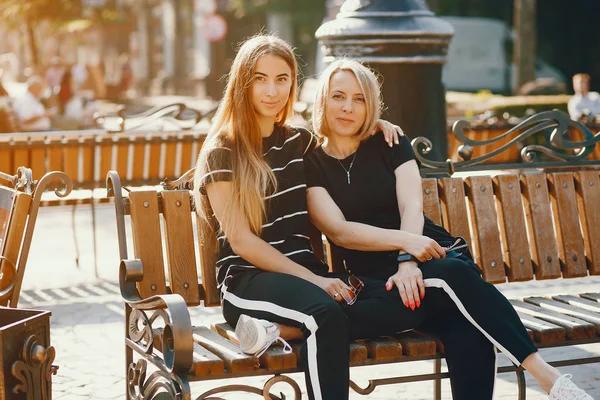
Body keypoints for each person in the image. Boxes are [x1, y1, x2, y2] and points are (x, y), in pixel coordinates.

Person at [302, 59, 593, 400]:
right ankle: (549, 378)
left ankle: (549, 379)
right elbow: (339, 232)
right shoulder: (310, 161)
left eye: (360, 99)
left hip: (429, 254)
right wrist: (405, 245)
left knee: (461, 306)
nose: (348, 107)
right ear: (323, 100)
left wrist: (408, 258)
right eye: (339, 96)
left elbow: (412, 205)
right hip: (378, 277)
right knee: (463, 315)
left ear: (371, 105)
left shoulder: (390, 142)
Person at [193, 34, 403, 400]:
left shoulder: (300, 142)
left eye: (282, 79)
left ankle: (276, 330)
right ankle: (286, 327)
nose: (272, 90)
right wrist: (315, 281)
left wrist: (375, 129)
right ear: (243, 83)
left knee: (394, 301)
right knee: (326, 314)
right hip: (248, 278)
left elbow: (343, 144)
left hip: (303, 273)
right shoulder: (222, 152)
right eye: (260, 78)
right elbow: (241, 241)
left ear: (293, 83)